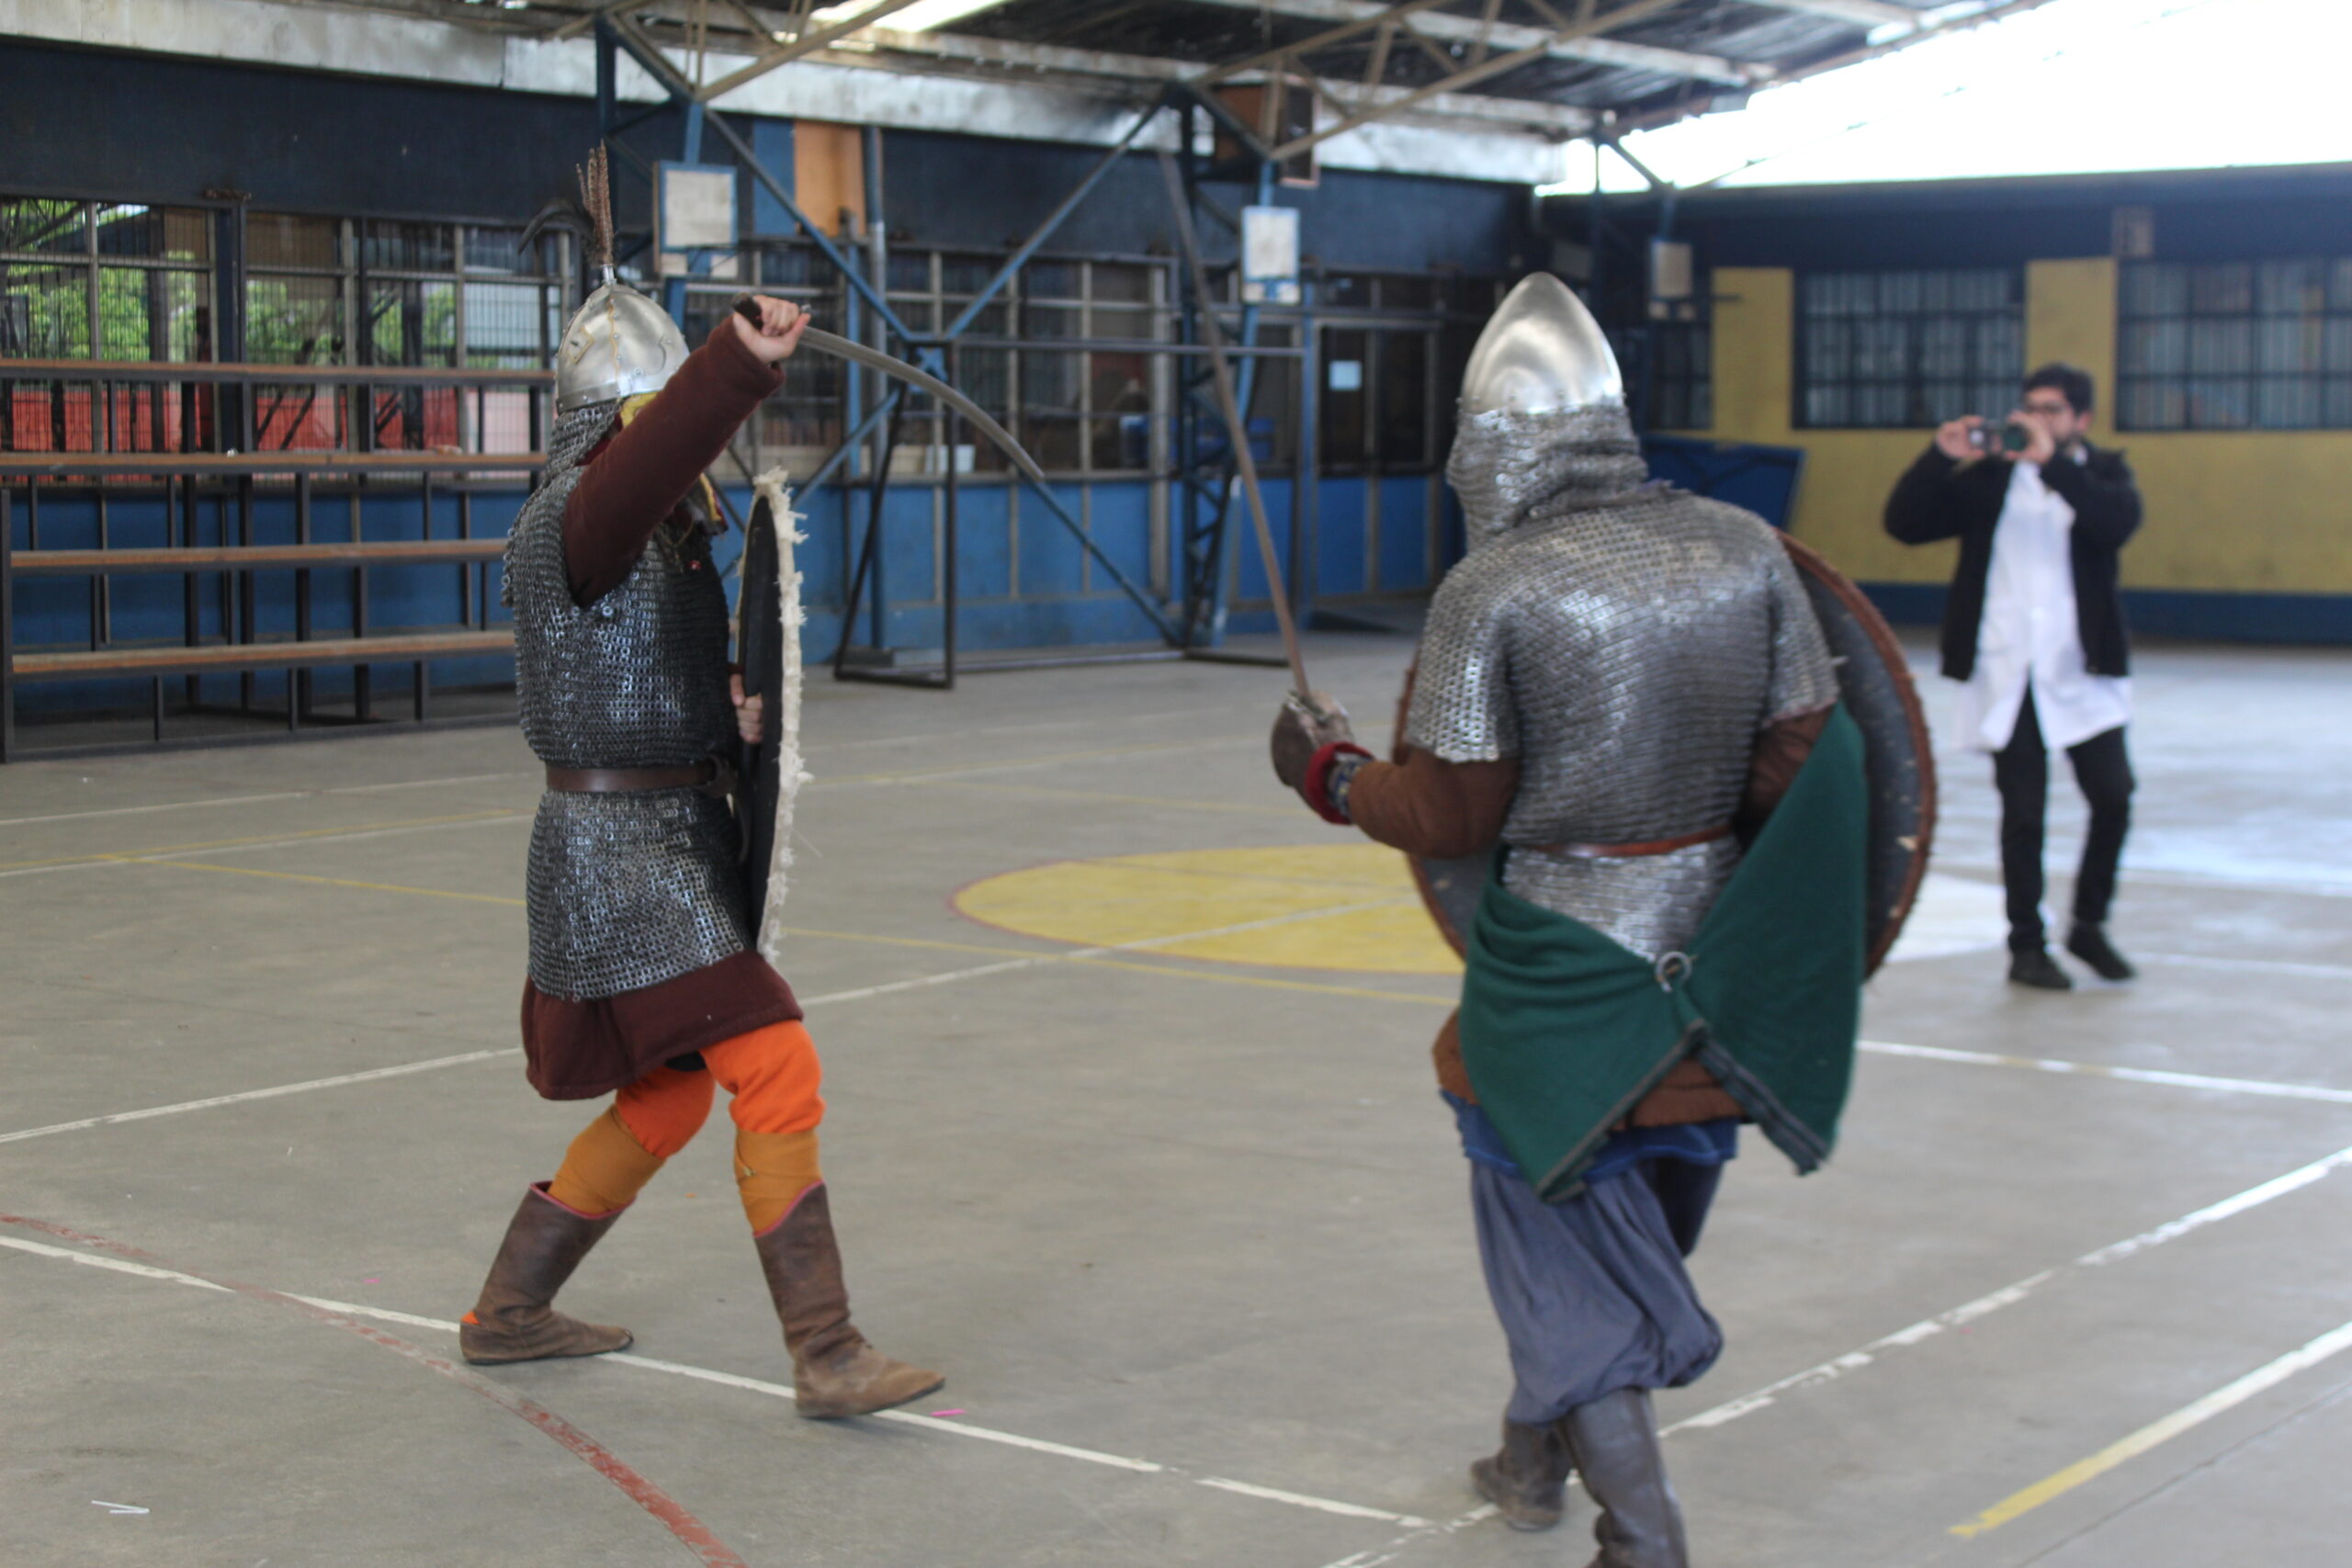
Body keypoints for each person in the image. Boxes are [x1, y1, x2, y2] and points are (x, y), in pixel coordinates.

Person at [1270, 274, 1866, 1568]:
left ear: (1493, 446)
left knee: (1569, 1273)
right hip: (1717, 986)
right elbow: (1802, 768)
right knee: (1610, 1243)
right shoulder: (1742, 546)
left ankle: (1643, 1541)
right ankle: (1529, 1456)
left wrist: (1330, 775)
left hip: (1558, 985)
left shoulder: (1498, 587)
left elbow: (1450, 813)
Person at [460, 158, 939, 1419]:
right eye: (655, 412)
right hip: (619, 851)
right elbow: (642, 468)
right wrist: (731, 365)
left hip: (656, 828)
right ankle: (827, 1352)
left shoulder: (642, 535)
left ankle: (508, 1308)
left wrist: (723, 721)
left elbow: (644, 668)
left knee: (669, 1092)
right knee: (775, 1062)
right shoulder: (580, 511)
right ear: (624, 413)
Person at [1884, 363, 2143, 989]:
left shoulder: (2104, 474)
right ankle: (2027, 945)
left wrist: (2053, 462)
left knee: (2114, 794)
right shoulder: (1988, 481)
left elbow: (2113, 526)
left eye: (2052, 410)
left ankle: (2088, 923)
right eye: (2030, 407)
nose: (2036, 420)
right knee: (2023, 813)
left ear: (2080, 419)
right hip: (2009, 673)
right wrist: (1938, 458)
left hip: (2081, 673)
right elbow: (1905, 524)